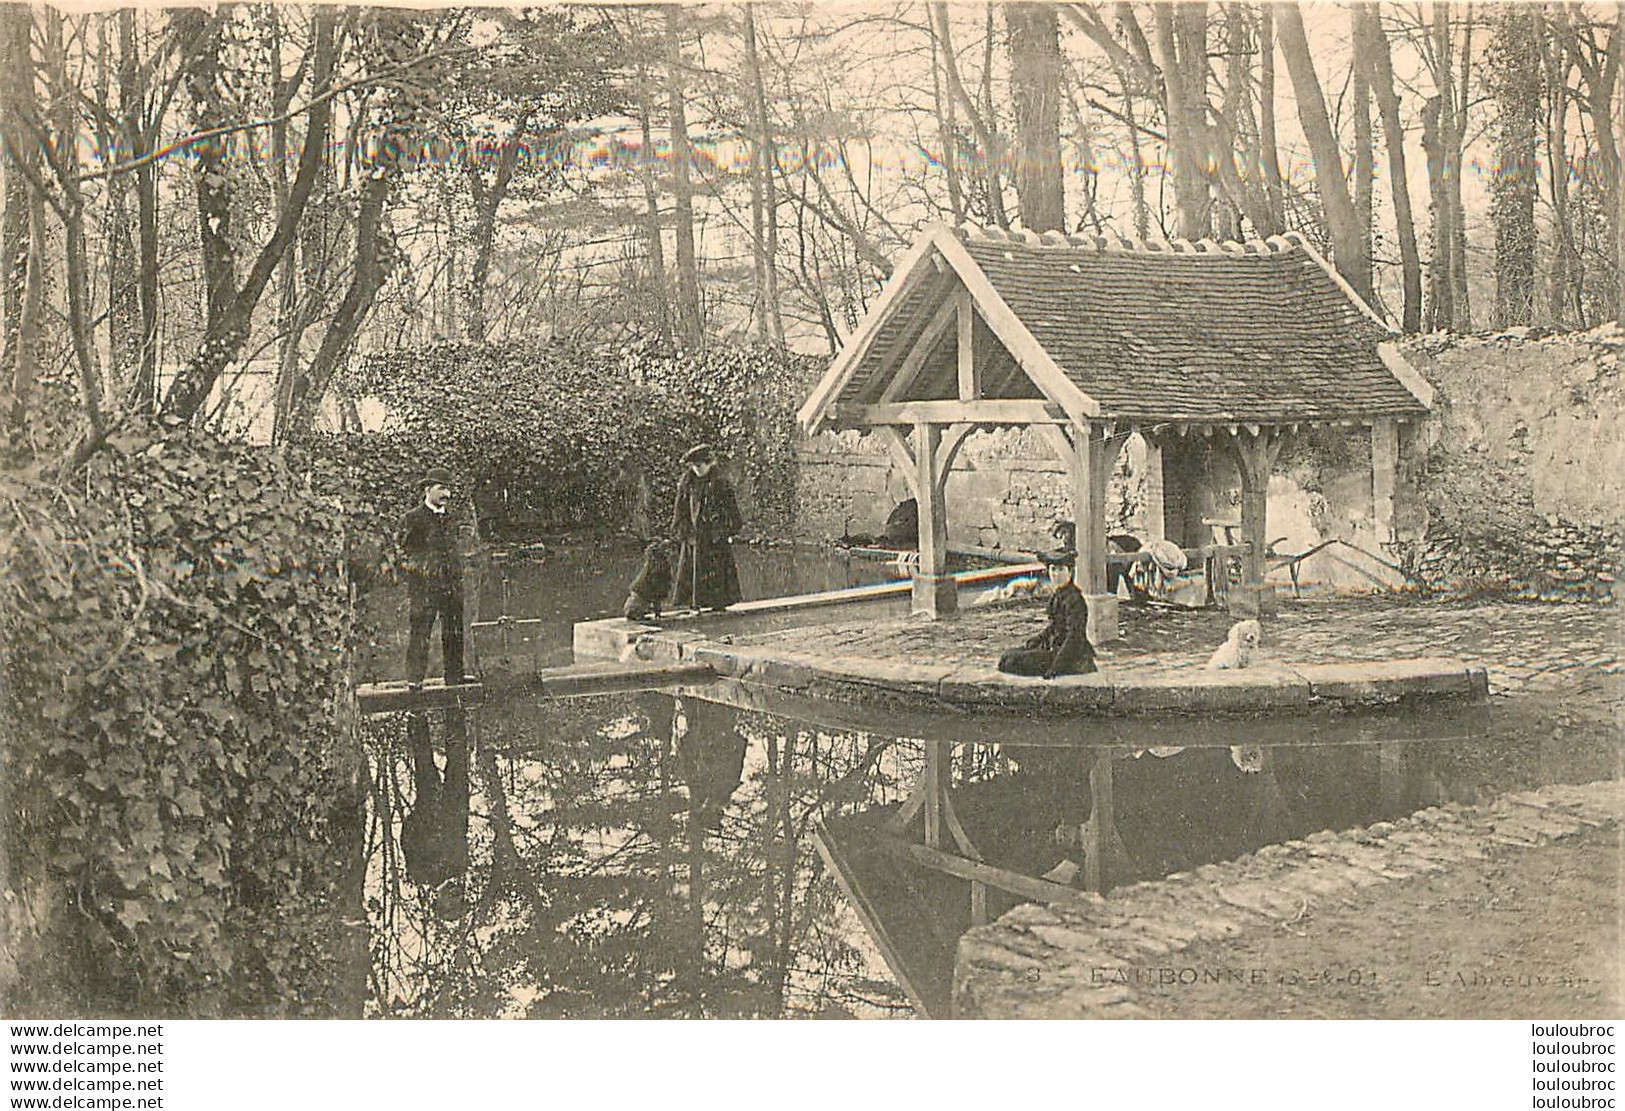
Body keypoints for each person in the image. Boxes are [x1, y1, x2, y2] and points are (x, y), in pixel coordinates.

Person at [400, 466, 468, 687]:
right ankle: (415, 681)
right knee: (421, 633)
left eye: (448, 489)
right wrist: (423, 574)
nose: (447, 495)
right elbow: (407, 554)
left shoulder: (451, 518)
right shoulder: (413, 518)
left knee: (454, 632)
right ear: (428, 489)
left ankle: (454, 678)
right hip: (425, 588)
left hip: (451, 586)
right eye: (441, 489)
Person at [997, 551, 1097, 678]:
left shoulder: (1075, 599)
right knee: (1006, 656)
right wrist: (1038, 639)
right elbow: (1054, 626)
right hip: (1053, 648)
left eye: (1061, 570)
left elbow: (1074, 637)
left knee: (1012, 662)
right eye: (1053, 569)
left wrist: (1055, 668)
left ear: (1070, 572)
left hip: (1071, 656)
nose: (1056, 574)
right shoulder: (1058, 595)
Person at [669, 444, 742, 612]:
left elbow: (733, 512)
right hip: (694, 537)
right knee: (692, 573)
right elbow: (680, 510)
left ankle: (718, 608)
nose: (696, 469)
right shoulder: (687, 483)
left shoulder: (721, 484)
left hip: (714, 538)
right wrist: (682, 530)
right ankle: (695, 607)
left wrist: (726, 531)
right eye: (693, 466)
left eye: (700, 466)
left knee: (716, 574)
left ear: (710, 464)